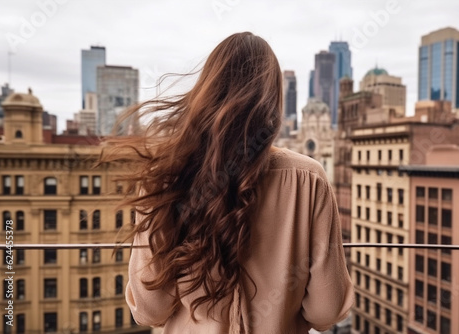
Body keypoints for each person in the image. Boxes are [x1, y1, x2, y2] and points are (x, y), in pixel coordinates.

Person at [99, 32, 353, 334]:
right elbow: (326, 310)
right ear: (273, 100)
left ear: (207, 91)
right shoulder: (308, 179)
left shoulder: (165, 177)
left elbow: (150, 309)